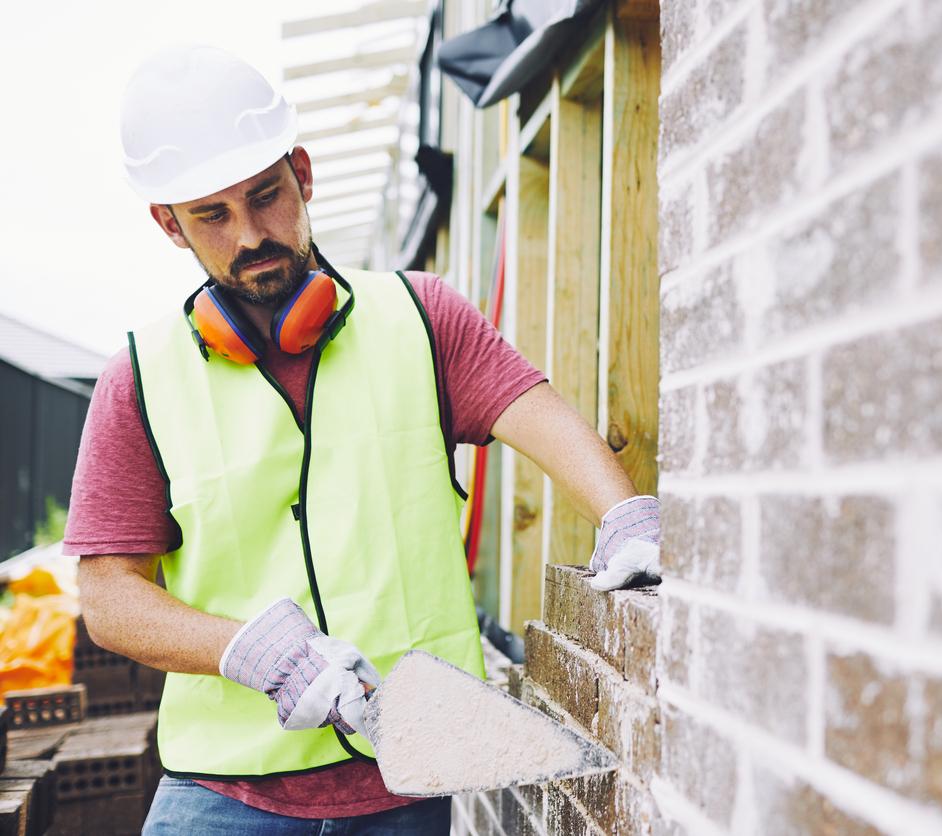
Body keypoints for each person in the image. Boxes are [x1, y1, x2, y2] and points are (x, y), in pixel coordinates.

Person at [64, 45, 662, 834]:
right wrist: (247, 651)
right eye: (212, 214)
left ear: (303, 176)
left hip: (406, 788)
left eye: (266, 196)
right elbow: (109, 599)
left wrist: (624, 513)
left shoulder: (420, 318)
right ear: (169, 225)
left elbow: (535, 410)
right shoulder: (139, 380)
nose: (250, 235)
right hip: (225, 793)